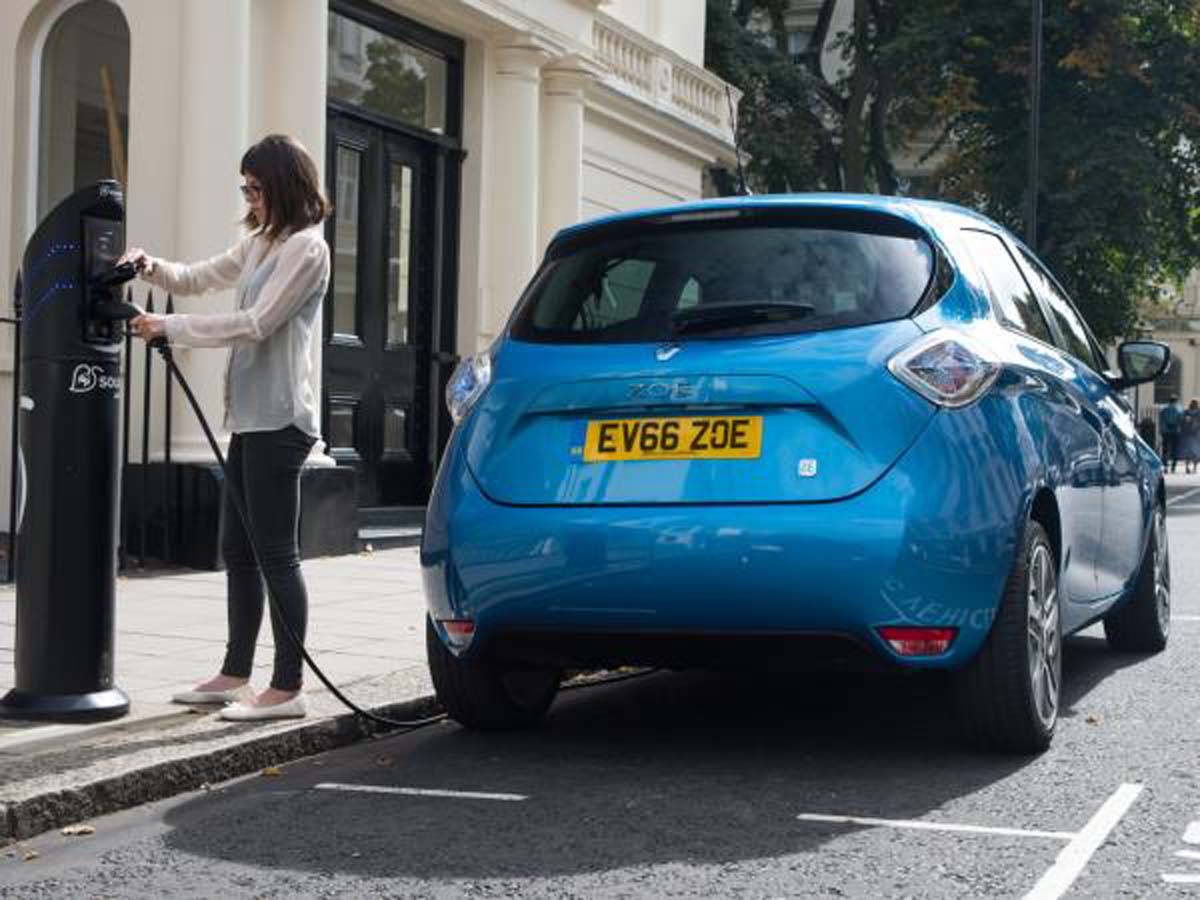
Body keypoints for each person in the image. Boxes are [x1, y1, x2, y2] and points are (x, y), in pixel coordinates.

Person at [120, 134, 331, 721]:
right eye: (245, 188)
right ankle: (236, 673)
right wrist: (151, 265)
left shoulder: (306, 251)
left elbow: (257, 323)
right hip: (248, 418)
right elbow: (196, 275)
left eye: (257, 188)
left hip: (280, 420)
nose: (251, 198)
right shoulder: (262, 243)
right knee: (238, 551)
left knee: (276, 555)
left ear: (285, 185)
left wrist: (170, 327)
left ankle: (287, 687)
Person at [1160, 395, 1184, 473]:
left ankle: (1165, 466)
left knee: (1165, 449)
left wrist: (1161, 430)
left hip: (1166, 431)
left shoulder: (1164, 410)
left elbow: (1161, 420)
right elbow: (1181, 421)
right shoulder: (1179, 410)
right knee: (1175, 449)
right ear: (1176, 401)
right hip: (1175, 431)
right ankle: (1173, 466)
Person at [1181, 399, 1200, 475]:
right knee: (1192, 451)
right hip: (1193, 434)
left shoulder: (1187, 412)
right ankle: (1190, 467)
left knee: (1191, 451)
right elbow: (1182, 421)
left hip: (1192, 434)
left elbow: (1182, 422)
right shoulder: (1188, 412)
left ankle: (1190, 467)